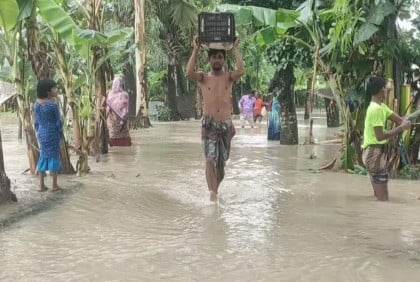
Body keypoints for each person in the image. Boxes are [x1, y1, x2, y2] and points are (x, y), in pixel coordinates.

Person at [186, 35, 244, 202]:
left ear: (224, 60)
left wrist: (235, 48)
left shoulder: (229, 77)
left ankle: (215, 191)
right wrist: (196, 49)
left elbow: (241, 71)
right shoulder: (204, 78)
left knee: (221, 166)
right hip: (209, 124)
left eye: (220, 57)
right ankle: (212, 195)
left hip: (225, 125)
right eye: (214, 57)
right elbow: (189, 72)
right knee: (210, 160)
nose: (217, 60)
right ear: (209, 60)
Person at [361, 76, 411, 201]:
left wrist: (405, 122)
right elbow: (380, 136)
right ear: (380, 90)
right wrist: (401, 128)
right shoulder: (376, 110)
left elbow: (399, 120)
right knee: (383, 199)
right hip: (374, 154)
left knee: (379, 198)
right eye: (385, 88)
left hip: (374, 154)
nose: (387, 90)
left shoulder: (381, 106)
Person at [33, 79, 62, 192]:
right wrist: (60, 132)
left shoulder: (36, 104)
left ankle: (41, 185)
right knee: (54, 156)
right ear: (48, 92)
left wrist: (39, 130)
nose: (56, 90)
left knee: (43, 155)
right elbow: (58, 122)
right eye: (54, 88)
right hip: (52, 133)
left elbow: (35, 121)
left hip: (41, 133)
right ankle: (54, 185)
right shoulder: (52, 105)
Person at [106, 77, 131, 146]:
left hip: (112, 117)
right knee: (124, 133)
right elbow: (127, 107)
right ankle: (125, 145)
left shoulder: (109, 93)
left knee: (113, 132)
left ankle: (113, 144)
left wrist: (105, 117)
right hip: (123, 118)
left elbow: (108, 107)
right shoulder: (125, 94)